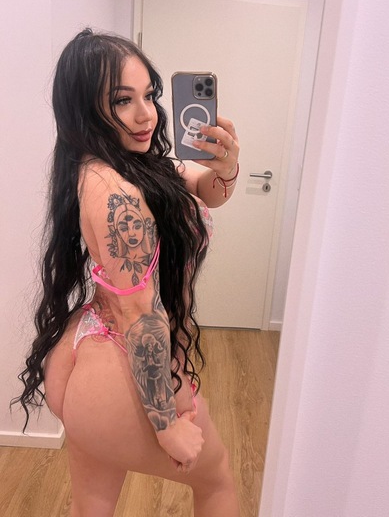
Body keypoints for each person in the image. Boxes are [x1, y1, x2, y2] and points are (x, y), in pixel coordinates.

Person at [13, 28, 241, 516]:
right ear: (84, 109)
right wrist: (166, 423)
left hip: (87, 354)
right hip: (123, 368)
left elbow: (206, 187)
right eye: (122, 100)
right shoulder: (118, 194)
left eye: (149, 95)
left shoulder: (113, 167)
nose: (146, 114)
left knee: (92, 505)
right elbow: (140, 314)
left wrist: (226, 167)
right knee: (219, 480)